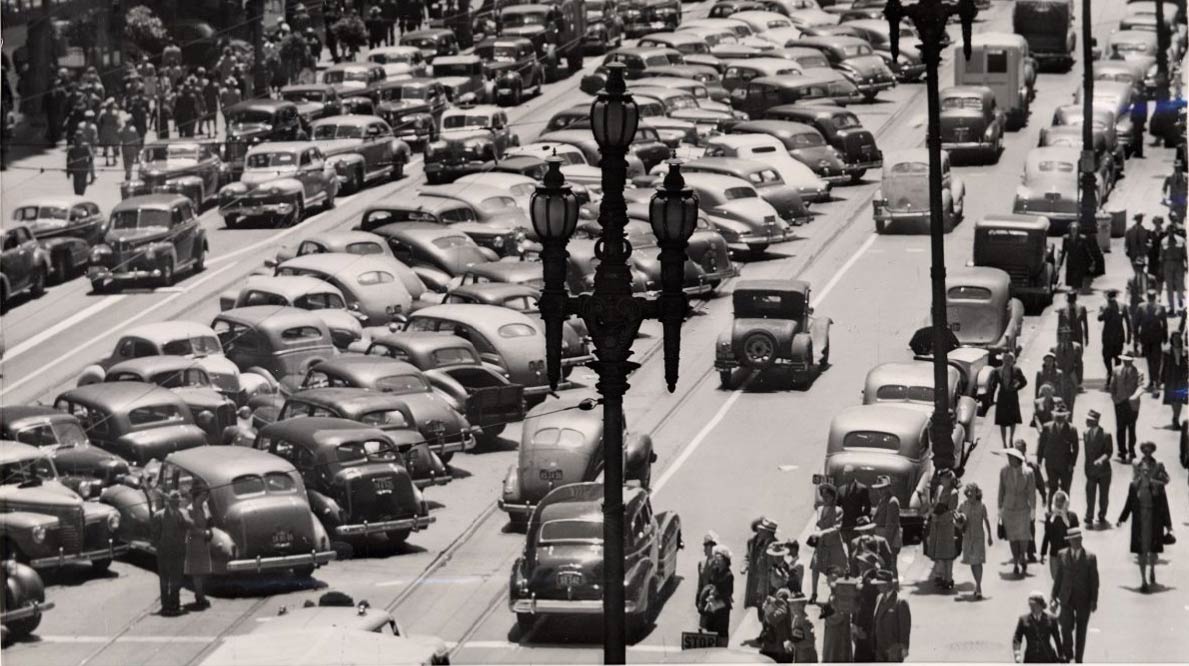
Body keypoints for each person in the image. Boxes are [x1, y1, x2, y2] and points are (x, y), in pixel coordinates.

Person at [1117, 442, 1173, 592]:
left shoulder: (1158, 471)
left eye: (1149, 450)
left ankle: (1152, 569)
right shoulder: (1135, 482)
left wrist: (1169, 526)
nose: (1146, 472)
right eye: (1143, 471)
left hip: (1154, 520)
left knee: (1153, 550)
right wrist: (1121, 519)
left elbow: (1164, 506)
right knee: (1141, 551)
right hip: (1140, 520)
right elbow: (1129, 503)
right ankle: (1143, 581)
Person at [1050, 527, 1098, 663]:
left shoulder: (1090, 557)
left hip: (1084, 599)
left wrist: (1094, 600)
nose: (1076, 542)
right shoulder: (1062, 555)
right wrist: (1053, 596)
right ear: (1069, 541)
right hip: (1066, 598)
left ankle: (1078, 659)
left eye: (1078, 539)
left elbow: (1094, 581)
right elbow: (1059, 577)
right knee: (1065, 627)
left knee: (1081, 631)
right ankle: (1067, 652)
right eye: (1073, 540)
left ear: (1081, 539)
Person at [150, 491, 191, 616]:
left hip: (178, 552)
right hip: (165, 553)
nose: (177, 504)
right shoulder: (160, 516)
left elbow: (189, 526)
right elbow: (154, 536)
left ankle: (175, 603)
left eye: (178, 502)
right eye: (175, 502)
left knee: (177, 579)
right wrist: (159, 547)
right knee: (164, 580)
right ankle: (165, 605)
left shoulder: (182, 514)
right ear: (169, 502)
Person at [1000, 445, 1038, 577]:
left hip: (1023, 509)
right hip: (1009, 509)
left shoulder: (1028, 472)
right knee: (1012, 537)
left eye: (1011, 458)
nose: (1009, 460)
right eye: (1008, 458)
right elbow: (1001, 491)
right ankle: (1016, 561)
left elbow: (1032, 492)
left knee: (1024, 537)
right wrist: (1000, 509)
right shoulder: (1004, 471)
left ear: (1017, 459)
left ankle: (1023, 554)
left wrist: (1033, 509)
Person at [809, 485, 848, 604]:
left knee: (834, 571)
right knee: (815, 568)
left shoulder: (838, 510)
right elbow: (818, 523)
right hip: (821, 545)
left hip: (833, 545)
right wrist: (816, 531)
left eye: (827, 496)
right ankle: (814, 594)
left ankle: (834, 594)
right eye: (823, 495)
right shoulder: (820, 509)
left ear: (833, 497)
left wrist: (822, 533)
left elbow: (837, 528)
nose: (825, 498)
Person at [959, 481, 992, 600]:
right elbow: (956, 518)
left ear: (976, 493)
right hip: (967, 536)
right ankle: (977, 585)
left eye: (971, 493)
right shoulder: (963, 505)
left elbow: (986, 520)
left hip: (978, 536)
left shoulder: (981, 505)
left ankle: (978, 587)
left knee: (978, 561)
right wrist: (959, 523)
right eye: (967, 493)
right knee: (972, 562)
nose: (969, 495)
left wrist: (990, 536)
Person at [744, 516, 779, 625]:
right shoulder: (755, 542)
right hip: (758, 579)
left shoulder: (774, 544)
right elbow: (749, 557)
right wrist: (746, 565)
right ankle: (764, 629)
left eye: (762, 530)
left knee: (768, 606)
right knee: (760, 604)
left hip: (768, 581)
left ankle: (767, 631)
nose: (760, 532)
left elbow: (776, 563)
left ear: (768, 532)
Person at [1012, 591, 1065, 663]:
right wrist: (1017, 654)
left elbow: (1057, 639)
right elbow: (1017, 638)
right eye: (1030, 605)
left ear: (1041, 605)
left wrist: (1061, 655)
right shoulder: (1023, 620)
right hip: (1030, 659)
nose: (1032, 608)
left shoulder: (1051, 619)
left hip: (1048, 658)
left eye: (1034, 605)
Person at [989, 351, 1028, 448]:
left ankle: (1011, 438)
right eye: (1005, 359)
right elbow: (993, 385)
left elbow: (1023, 382)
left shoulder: (1017, 370)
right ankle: (1004, 442)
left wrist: (1016, 387)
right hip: (1002, 397)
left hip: (1012, 397)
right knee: (1002, 421)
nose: (1007, 361)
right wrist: (991, 399)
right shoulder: (997, 371)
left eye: (1010, 359)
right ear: (1003, 360)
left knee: (1013, 420)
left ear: (1013, 361)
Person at [1082, 410, 1113, 527]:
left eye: (1089, 420)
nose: (1086, 421)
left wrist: (1101, 460)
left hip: (1104, 471)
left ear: (1095, 421)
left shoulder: (1106, 435)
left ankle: (1102, 515)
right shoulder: (1085, 433)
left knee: (1103, 495)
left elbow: (1109, 452)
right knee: (1090, 493)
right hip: (1090, 470)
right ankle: (1089, 515)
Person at [1110, 354, 1145, 461]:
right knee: (1120, 427)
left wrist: (1135, 396)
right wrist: (1115, 399)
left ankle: (1131, 449)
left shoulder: (1139, 372)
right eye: (1124, 360)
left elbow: (1141, 386)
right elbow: (1112, 385)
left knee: (1131, 427)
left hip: (1132, 404)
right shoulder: (1116, 370)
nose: (1126, 362)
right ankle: (1121, 450)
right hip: (1120, 403)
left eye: (1129, 360)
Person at [870, 569, 910, 662]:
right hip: (879, 647)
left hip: (893, 649)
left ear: (887, 584)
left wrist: (904, 647)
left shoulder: (900, 602)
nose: (877, 587)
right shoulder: (879, 598)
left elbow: (905, 628)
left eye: (879, 584)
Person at [1038, 406, 1078, 496]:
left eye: (1062, 416)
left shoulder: (1072, 429)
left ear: (1066, 417)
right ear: (1053, 416)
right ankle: (1051, 509)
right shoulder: (1047, 427)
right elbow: (1041, 444)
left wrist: (1072, 463)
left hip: (1066, 465)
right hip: (1051, 464)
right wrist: (1039, 460)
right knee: (1053, 488)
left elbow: (1076, 448)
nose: (1059, 418)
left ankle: (1064, 509)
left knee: (1065, 489)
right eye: (1057, 416)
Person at [184, 486, 213, 610]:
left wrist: (209, 531)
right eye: (202, 496)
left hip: (203, 542)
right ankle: (199, 595)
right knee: (197, 571)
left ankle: (201, 593)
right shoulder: (190, 509)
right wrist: (204, 533)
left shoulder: (204, 506)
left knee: (204, 569)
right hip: (195, 542)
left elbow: (209, 520)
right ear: (197, 496)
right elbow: (191, 528)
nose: (204, 498)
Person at [1040, 490, 1080, 579]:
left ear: (1066, 502)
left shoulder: (1072, 517)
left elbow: (1077, 536)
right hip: (1054, 554)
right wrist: (1043, 553)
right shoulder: (1050, 517)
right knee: (1056, 579)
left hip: (1068, 554)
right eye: (1057, 501)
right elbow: (1047, 536)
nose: (1059, 504)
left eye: (1061, 501)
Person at [698, 545, 734, 637]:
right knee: (710, 627)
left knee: (721, 630)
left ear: (725, 561)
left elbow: (728, 592)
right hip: (712, 603)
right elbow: (710, 583)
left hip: (722, 606)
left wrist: (717, 594)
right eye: (716, 558)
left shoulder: (728, 575)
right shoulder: (714, 570)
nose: (716, 561)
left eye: (719, 559)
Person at [871, 475, 902, 578]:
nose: (880, 491)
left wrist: (886, 544)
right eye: (879, 489)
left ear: (888, 488)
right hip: (881, 536)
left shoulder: (892, 501)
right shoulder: (883, 500)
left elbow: (891, 526)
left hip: (889, 539)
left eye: (882, 488)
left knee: (891, 565)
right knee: (884, 565)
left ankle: (894, 589)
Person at [1137, 289, 1168, 391]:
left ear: (1155, 297)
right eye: (1149, 297)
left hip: (1157, 338)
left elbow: (1164, 324)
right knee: (1149, 359)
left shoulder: (1161, 308)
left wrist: (1165, 337)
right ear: (1147, 297)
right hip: (1145, 338)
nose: (1151, 299)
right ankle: (1151, 379)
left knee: (1157, 359)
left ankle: (1157, 379)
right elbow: (1136, 323)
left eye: (1152, 297)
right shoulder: (1141, 307)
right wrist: (1136, 338)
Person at [821, 566, 853, 663]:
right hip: (833, 632)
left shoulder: (840, 595)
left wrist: (827, 615)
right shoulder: (834, 594)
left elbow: (839, 616)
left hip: (837, 634)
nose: (828, 582)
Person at [1099, 288, 1131, 384]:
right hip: (1107, 336)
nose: (1111, 300)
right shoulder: (1104, 306)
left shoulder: (1122, 306)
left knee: (1118, 357)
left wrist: (1129, 335)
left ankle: (1116, 376)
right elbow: (1099, 318)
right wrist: (1106, 311)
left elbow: (1128, 322)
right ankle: (1109, 372)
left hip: (1118, 336)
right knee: (1106, 356)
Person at [837, 470, 872, 545]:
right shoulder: (841, 489)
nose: (846, 476)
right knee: (846, 548)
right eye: (845, 474)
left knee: (856, 547)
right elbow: (837, 507)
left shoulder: (862, 489)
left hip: (857, 526)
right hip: (844, 525)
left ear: (853, 474)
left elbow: (867, 506)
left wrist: (862, 519)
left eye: (848, 474)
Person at [1059, 226, 1094, 292]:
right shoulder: (1066, 239)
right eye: (1072, 229)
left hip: (1079, 262)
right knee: (1071, 280)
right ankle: (1073, 294)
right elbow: (1063, 252)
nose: (1073, 231)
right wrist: (1060, 263)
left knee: (1077, 280)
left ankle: (1075, 294)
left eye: (1075, 230)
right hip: (1070, 261)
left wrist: (1091, 262)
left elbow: (1086, 251)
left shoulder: (1082, 239)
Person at [1163, 332, 1188, 426]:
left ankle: (1176, 418)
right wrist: (1161, 380)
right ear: (1172, 340)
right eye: (1174, 338)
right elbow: (1164, 367)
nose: (1176, 340)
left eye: (1178, 338)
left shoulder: (1185, 352)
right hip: (1171, 377)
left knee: (1180, 398)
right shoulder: (1167, 352)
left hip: (1182, 378)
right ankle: (1175, 416)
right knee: (1173, 398)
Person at [787, 590, 818, 663]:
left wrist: (794, 644)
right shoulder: (796, 618)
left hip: (807, 658)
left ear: (801, 605)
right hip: (798, 656)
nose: (791, 607)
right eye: (791, 604)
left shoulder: (806, 621)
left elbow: (810, 642)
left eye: (794, 604)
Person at [1162, 224, 1186, 312]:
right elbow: (1161, 257)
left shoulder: (1181, 240)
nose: (1171, 232)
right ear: (1167, 231)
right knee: (1169, 286)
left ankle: (1180, 301)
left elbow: (1185, 254)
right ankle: (1172, 307)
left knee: (1179, 284)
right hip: (1168, 264)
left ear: (1175, 231)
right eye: (1169, 230)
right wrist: (1161, 268)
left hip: (1178, 264)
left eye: (1172, 230)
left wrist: (1186, 265)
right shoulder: (1164, 241)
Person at [65, 131, 94, 196]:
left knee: (83, 184)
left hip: (84, 169)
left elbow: (91, 157)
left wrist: (89, 162)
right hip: (76, 170)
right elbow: (68, 160)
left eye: (80, 138)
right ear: (75, 139)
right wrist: (68, 171)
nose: (79, 140)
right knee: (76, 185)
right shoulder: (72, 148)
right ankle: (78, 195)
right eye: (77, 138)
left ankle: (81, 194)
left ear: (82, 138)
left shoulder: (86, 147)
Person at [96, 99, 121, 166]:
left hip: (105, 130)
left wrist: (101, 129)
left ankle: (107, 160)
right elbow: (118, 123)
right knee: (114, 146)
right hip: (113, 130)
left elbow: (99, 122)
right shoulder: (115, 113)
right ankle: (114, 159)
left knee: (106, 146)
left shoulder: (103, 113)